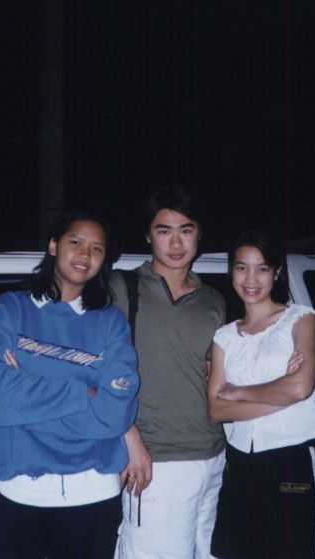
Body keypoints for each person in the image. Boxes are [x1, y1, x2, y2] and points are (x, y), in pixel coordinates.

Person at [0, 210, 140, 559]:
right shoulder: (11, 309)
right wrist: (85, 391)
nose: (85, 254)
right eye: (76, 242)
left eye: (97, 248)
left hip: (91, 493)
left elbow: (115, 414)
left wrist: (27, 387)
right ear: (53, 245)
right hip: (18, 491)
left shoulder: (110, 322)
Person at [110, 187, 227, 558]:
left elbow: (212, 377)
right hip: (154, 461)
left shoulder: (214, 301)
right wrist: (129, 437)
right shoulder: (122, 287)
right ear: (148, 235)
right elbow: (93, 371)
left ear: (199, 233)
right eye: (164, 230)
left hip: (214, 456)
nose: (176, 243)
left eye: (186, 230)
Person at [208, 231, 315, 559]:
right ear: (231, 271)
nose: (251, 279)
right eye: (242, 268)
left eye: (262, 269)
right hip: (240, 462)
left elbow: (300, 387)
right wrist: (280, 392)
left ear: (276, 272)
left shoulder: (300, 319)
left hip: (292, 459)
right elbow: (216, 410)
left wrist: (238, 393)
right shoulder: (224, 337)